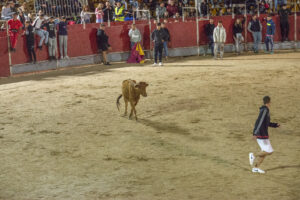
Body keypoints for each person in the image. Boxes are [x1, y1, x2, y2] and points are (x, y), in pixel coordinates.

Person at [249, 96, 280, 174]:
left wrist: (275, 125)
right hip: (261, 134)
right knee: (269, 151)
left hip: (261, 133)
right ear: (268, 102)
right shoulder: (265, 110)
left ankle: (256, 168)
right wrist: (255, 133)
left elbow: (266, 123)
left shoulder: (264, 110)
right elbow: (259, 122)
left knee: (264, 152)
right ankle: (253, 155)